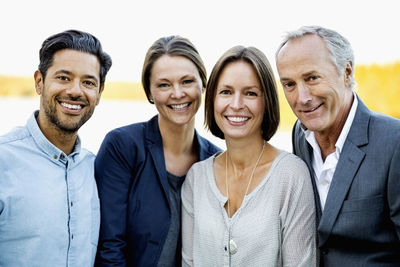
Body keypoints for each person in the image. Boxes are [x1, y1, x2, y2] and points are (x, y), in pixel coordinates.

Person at [275, 25, 400, 266]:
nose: (302, 98)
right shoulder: (300, 136)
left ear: (347, 71)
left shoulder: (393, 143)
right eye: (289, 84)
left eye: (312, 78)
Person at [182, 46, 316, 266]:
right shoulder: (196, 179)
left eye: (250, 93)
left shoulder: (291, 175)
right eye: (226, 92)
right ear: (212, 100)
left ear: (267, 102)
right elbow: (188, 262)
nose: (236, 105)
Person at [95, 35, 220, 267]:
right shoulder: (122, 147)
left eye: (187, 81)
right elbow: (109, 247)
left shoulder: (217, 161)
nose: (177, 93)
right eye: (164, 84)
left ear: (203, 84)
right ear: (150, 93)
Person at [0, 30, 112, 266]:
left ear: (99, 93)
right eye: (63, 77)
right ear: (39, 82)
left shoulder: (96, 168)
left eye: (88, 82)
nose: (75, 91)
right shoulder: (4, 160)